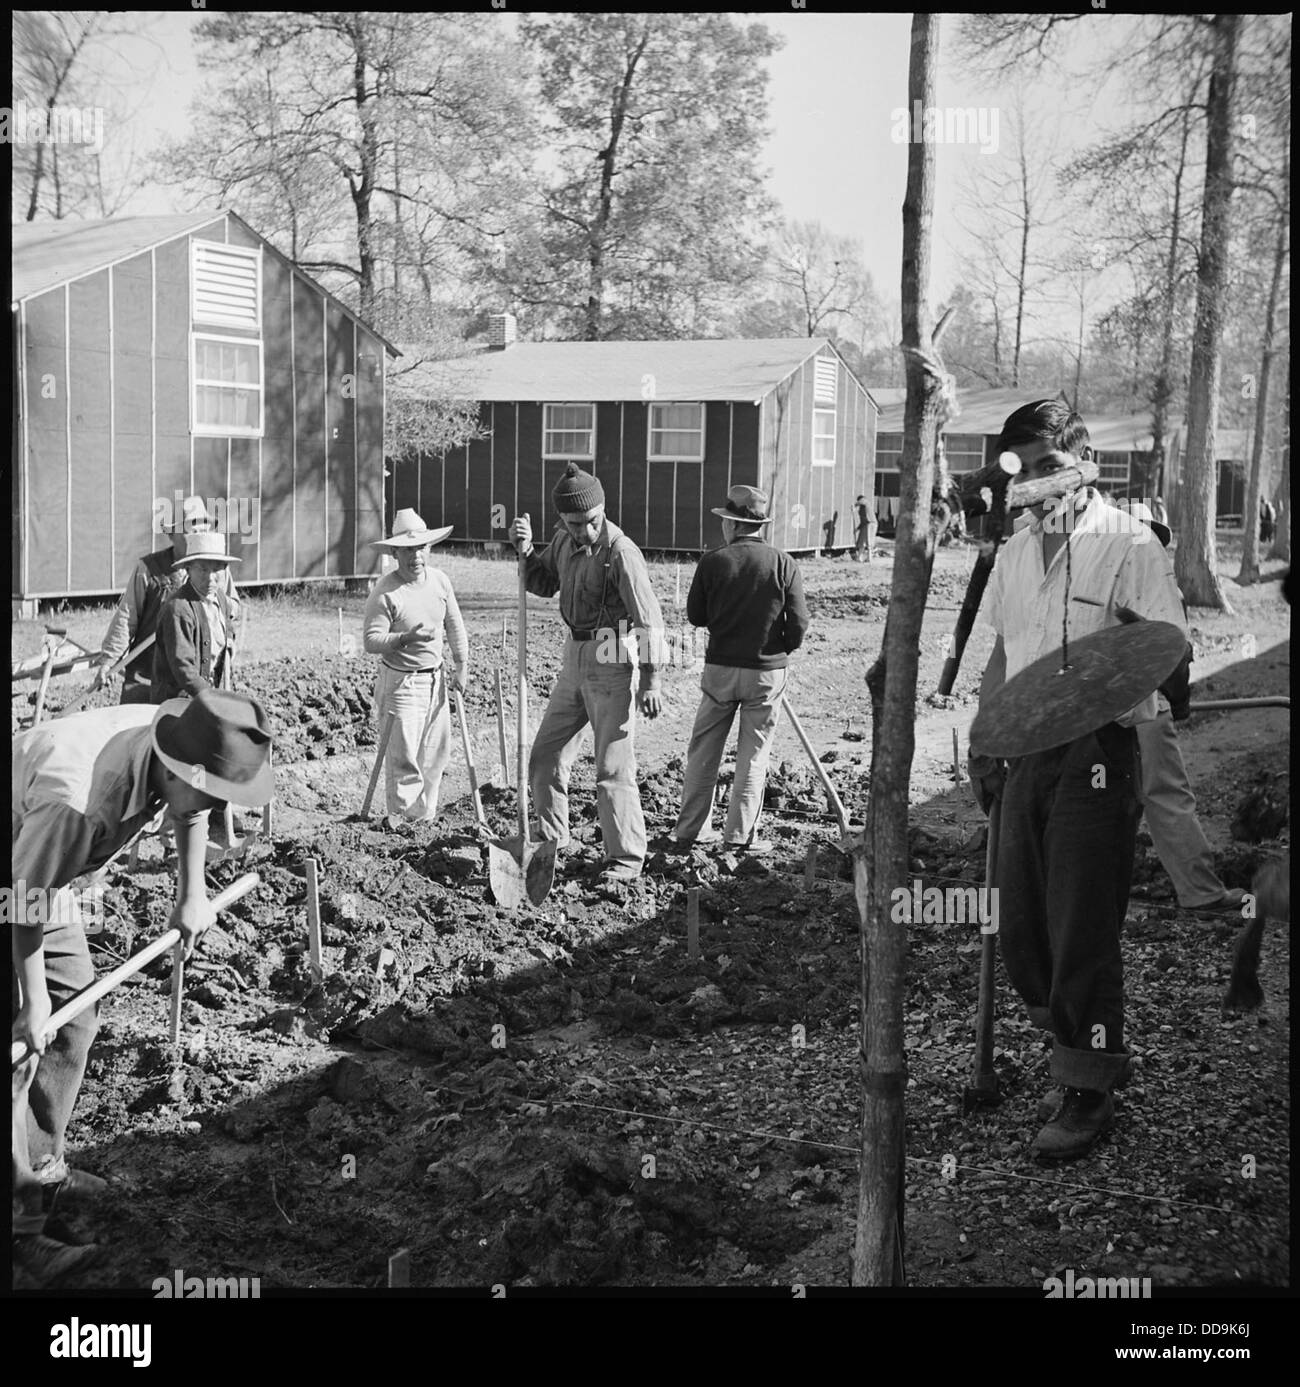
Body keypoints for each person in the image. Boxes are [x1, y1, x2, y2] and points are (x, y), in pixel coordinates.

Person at [970, 399, 1188, 1161]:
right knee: (1019, 914)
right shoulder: (1015, 553)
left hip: (1099, 748)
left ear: (1083, 460)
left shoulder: (1129, 544)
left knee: (1080, 919)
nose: (1034, 482)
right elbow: (1003, 649)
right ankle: (1064, 1036)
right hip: (1027, 749)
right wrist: (984, 732)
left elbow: (1165, 647)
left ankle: (1089, 1086)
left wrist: (1132, 674)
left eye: (1048, 466)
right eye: (1022, 471)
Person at [12, 689, 274, 1286]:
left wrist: (192, 895)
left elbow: (190, 808)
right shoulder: (78, 801)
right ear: (179, 771)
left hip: (41, 877)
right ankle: (19, 1236)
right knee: (19, 1055)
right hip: (18, 884)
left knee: (75, 1021)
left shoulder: (174, 747)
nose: (214, 806)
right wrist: (31, 1004)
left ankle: (43, 1162)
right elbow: (20, 901)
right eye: (212, 792)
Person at [510, 463, 665, 882]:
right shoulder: (563, 542)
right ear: (563, 520)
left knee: (611, 768)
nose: (586, 531)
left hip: (612, 657)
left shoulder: (621, 552)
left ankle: (627, 858)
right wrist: (524, 553)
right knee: (545, 757)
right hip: (573, 657)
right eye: (576, 524)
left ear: (602, 510)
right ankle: (550, 844)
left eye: (592, 521)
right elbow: (543, 582)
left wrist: (651, 679)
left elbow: (649, 621)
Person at [668, 486, 809, 854]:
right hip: (766, 672)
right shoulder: (783, 563)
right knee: (754, 754)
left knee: (704, 750)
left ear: (732, 524)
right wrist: (780, 650)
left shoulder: (713, 562)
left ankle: (690, 832)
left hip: (720, 670)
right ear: (759, 524)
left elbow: (696, 617)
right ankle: (740, 837)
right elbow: (799, 622)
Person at [1119, 503, 1246, 913]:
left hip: (1112, 710)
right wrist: (1181, 704)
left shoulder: (1118, 581)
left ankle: (1097, 892)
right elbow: (1177, 659)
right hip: (1144, 709)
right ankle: (1200, 893)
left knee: (1107, 797)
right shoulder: (1152, 588)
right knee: (1165, 796)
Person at [362, 509, 468, 830]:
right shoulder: (386, 591)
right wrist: (404, 638)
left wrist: (461, 665)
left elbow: (454, 625)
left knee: (435, 753)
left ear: (429, 549)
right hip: (401, 682)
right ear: (395, 553)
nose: (416, 555)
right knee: (404, 757)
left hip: (435, 678)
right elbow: (371, 640)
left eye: (421, 548)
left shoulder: (440, 581)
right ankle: (403, 823)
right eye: (407, 550)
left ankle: (426, 819)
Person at [98, 497, 240, 704]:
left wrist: (228, 637)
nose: (198, 534)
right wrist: (109, 659)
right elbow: (126, 617)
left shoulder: (217, 571)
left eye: (203, 528)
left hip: (197, 682)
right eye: (191, 529)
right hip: (147, 676)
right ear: (172, 534)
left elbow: (232, 610)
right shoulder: (149, 569)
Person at [151, 531, 242, 703]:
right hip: (177, 702)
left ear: (225, 570)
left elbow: (229, 620)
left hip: (206, 695)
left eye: (216, 570)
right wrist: (213, 698)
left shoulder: (221, 598)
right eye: (202, 569)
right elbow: (183, 668)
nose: (210, 578)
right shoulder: (178, 608)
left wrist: (229, 639)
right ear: (188, 570)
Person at [852, 494, 877, 563]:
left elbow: (862, 501)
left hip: (871, 523)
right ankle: (859, 557)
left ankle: (869, 558)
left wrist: (854, 505)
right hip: (865, 524)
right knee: (861, 541)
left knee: (869, 541)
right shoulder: (861, 510)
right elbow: (862, 521)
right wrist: (857, 529)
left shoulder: (866, 502)